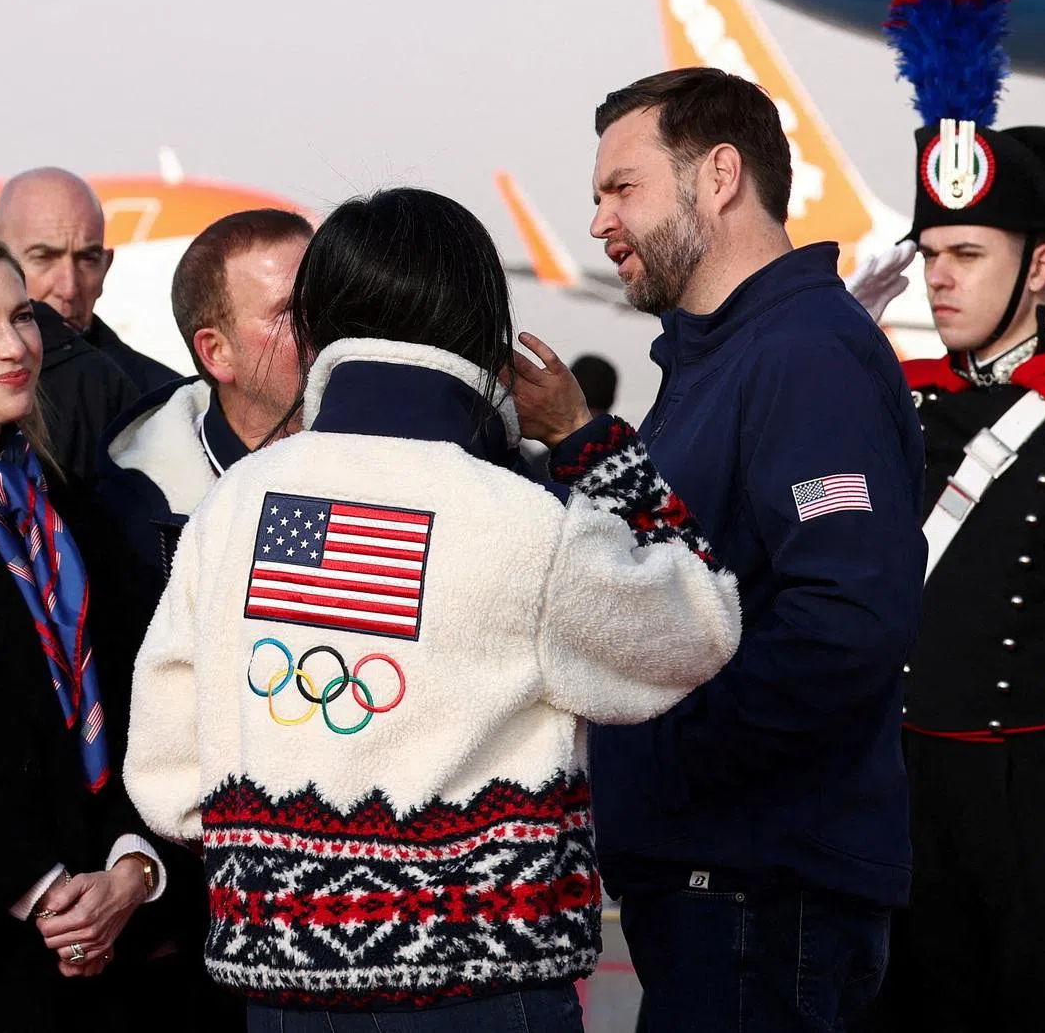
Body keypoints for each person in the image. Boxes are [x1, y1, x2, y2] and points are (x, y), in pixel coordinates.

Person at [123, 187, 742, 1032]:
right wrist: (588, 446)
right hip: (485, 982)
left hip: (280, 989)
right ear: (479, 325)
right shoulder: (529, 524)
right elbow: (700, 626)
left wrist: (279, 860)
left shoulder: (239, 506)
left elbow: (166, 771)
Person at [511, 66, 927, 1033]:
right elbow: (682, 566)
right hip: (720, 887)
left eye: (624, 188)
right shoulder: (723, 358)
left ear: (720, 176)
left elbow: (848, 622)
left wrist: (670, 746)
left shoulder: (804, 355)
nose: (602, 222)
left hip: (762, 894)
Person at [863, 0, 1045, 1031]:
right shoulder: (895, 396)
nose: (943, 280)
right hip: (906, 802)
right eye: (932, 255)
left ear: (1043, 266)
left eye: (969, 254)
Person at [94, 207, 312, 1033]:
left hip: (360, 919)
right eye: (290, 314)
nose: (324, 331)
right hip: (191, 924)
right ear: (213, 351)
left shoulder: (391, 469)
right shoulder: (131, 501)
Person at [0, 236, 165, 1033]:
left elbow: (135, 699)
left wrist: (128, 868)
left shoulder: (70, 511)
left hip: (106, 950)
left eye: (20, 317)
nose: (15, 346)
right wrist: (43, 889)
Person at [99, 208, 313, 609]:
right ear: (217, 353)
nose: (320, 323)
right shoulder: (133, 522)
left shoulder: (396, 462)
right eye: (288, 312)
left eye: (326, 300)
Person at [0, 167, 179, 391]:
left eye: (87, 260)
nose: (69, 288)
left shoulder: (161, 405)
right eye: (44, 258)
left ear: (106, 267)